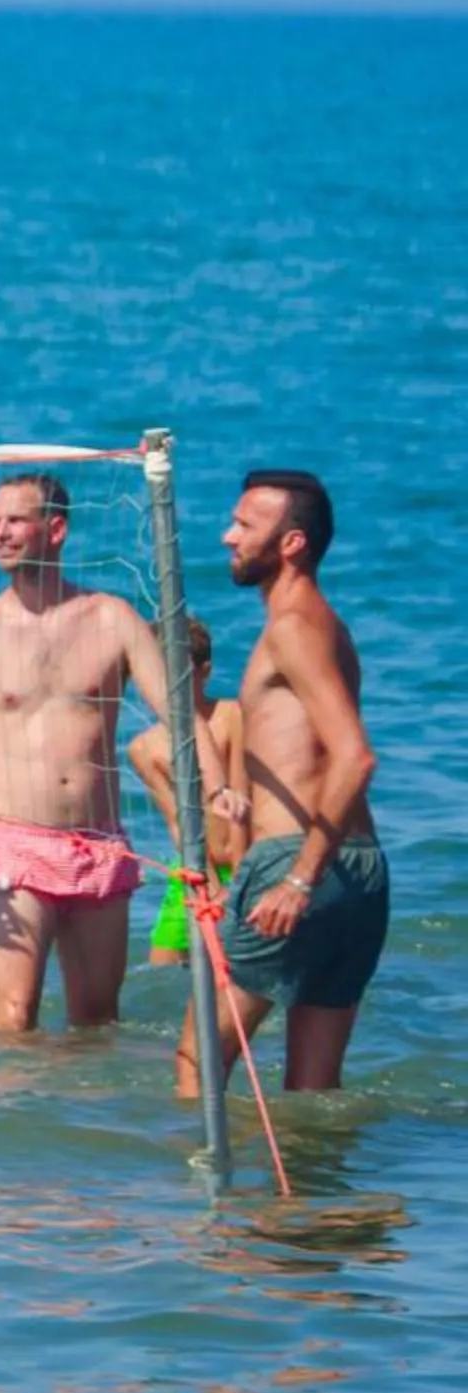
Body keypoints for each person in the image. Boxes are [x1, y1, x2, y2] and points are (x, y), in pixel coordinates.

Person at [0, 471, 180, 1035]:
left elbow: (180, 719)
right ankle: (7, 1119)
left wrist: (217, 792)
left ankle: (82, 1120)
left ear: (56, 528)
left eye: (15, 520)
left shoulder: (113, 618)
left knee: (97, 1023)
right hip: (14, 847)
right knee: (14, 1018)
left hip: (99, 845)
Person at [178, 470, 388, 1098]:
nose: (227, 536)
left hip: (300, 863)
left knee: (198, 1062)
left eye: (244, 525)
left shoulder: (294, 628)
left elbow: (355, 757)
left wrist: (297, 879)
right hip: (359, 870)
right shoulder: (328, 626)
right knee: (314, 1088)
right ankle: (316, 1199)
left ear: (291, 542)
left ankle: (192, 1198)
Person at [126, 614, 244, 971]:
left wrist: (236, 884)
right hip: (193, 870)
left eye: (179, 673)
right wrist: (205, 886)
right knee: (163, 964)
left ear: (204, 671)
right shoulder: (143, 749)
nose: (168, 688)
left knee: (243, 965)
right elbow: (178, 823)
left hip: (245, 862)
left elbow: (242, 800)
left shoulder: (231, 717)